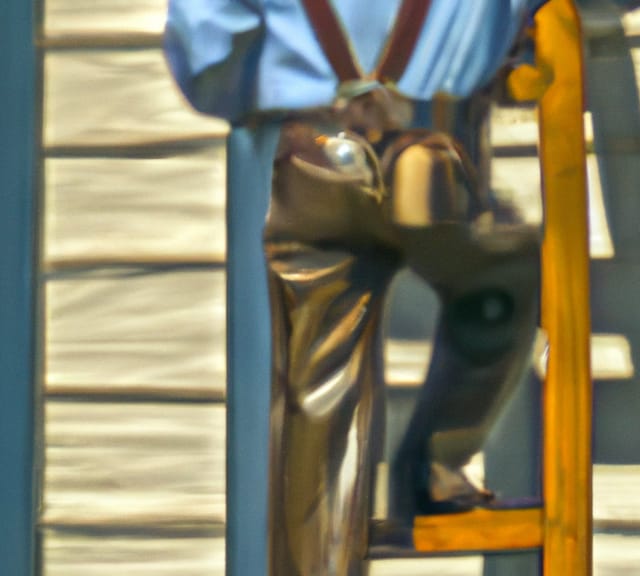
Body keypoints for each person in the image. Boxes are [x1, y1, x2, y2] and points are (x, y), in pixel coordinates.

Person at [165, 2, 545, 574]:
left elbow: (208, 49)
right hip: (429, 152)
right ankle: (435, 464)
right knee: (501, 277)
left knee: (317, 389)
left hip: (309, 153)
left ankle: (317, 563)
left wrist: (260, 87)